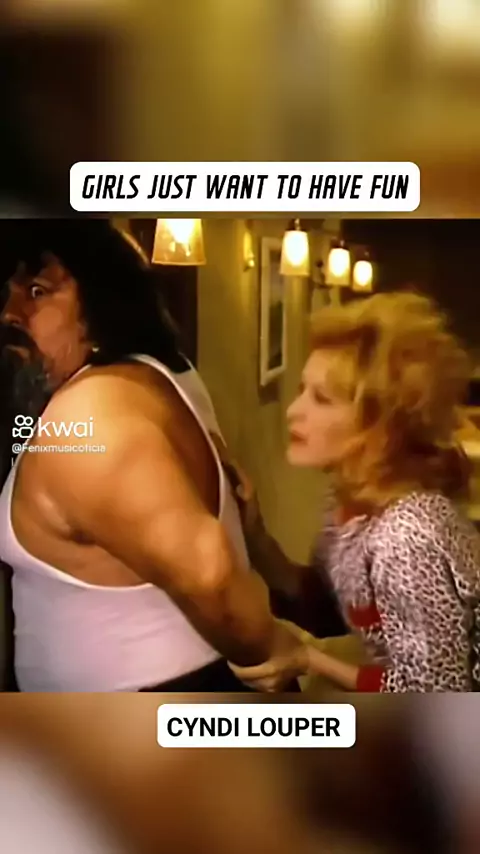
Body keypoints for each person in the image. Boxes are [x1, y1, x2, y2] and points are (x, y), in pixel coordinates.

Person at [0, 219, 300, 692]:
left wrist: (271, 652)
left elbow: (210, 574)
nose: (11, 313)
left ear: (99, 301)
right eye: (10, 293)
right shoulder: (158, 371)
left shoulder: (91, 414)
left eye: (38, 291)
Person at [231, 292, 480, 693]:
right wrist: (255, 536)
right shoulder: (349, 503)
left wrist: (310, 660)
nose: (293, 410)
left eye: (321, 399)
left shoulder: (406, 536)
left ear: (382, 427)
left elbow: (435, 693)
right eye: (302, 390)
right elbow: (327, 608)